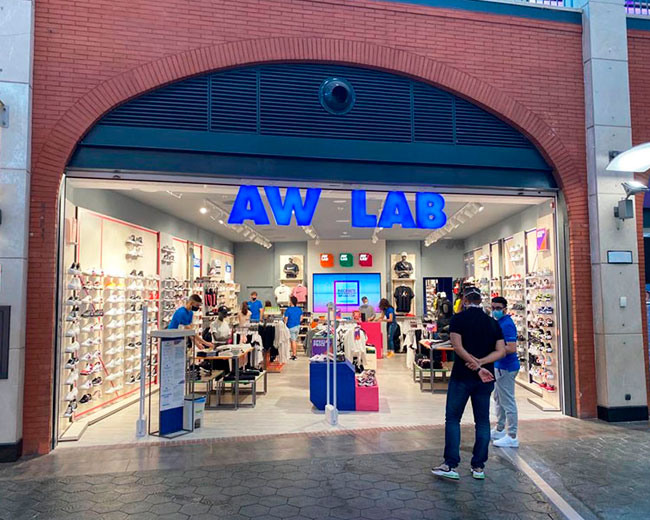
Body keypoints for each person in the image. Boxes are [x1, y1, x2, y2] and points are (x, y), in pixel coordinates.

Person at [432, 286, 505, 481]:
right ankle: (478, 466)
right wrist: (481, 364)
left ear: (464, 300)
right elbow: (501, 351)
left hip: (462, 377)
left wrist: (473, 363)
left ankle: (450, 464)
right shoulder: (492, 322)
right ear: (481, 301)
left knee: (453, 419)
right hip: (485, 378)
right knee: (482, 421)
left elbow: (457, 346)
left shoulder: (459, 319)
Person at [490, 296, 520, 448]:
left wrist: (493, 350)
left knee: (507, 401)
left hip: (506, 367)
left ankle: (512, 435)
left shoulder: (506, 324)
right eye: (493, 307)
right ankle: (500, 428)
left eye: (498, 308)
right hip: (500, 365)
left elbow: (511, 348)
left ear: (505, 309)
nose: (495, 311)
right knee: (498, 398)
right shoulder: (499, 322)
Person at [283, 296, 303, 360]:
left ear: (291, 302)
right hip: (297, 326)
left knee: (293, 341)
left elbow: (286, 319)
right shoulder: (299, 309)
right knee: (294, 340)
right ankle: (294, 354)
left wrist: (284, 325)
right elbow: (301, 318)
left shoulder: (288, 309)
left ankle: (294, 355)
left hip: (291, 326)